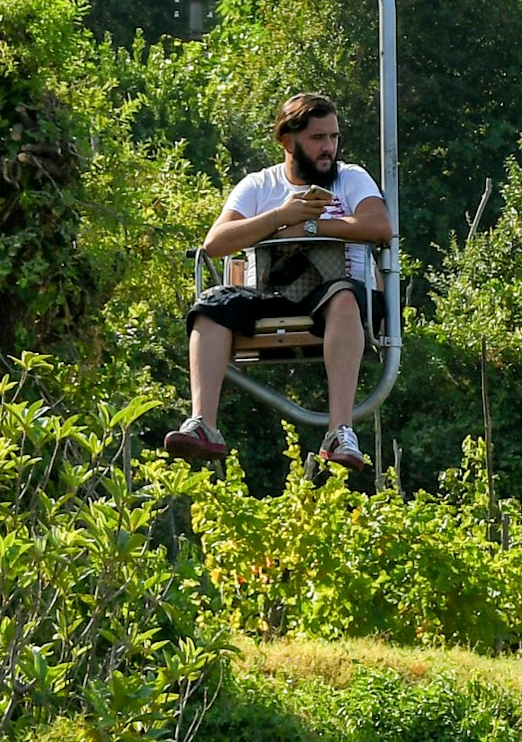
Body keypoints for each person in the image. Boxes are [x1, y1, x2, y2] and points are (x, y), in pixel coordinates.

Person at [167, 92, 393, 483]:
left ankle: (340, 431)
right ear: (289, 141)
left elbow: (378, 226)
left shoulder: (350, 179)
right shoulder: (260, 186)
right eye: (318, 138)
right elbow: (216, 243)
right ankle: (203, 422)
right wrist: (277, 218)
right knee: (210, 305)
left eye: (334, 138)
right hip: (273, 296)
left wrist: (308, 226)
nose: (329, 149)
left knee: (342, 295)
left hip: (335, 295)